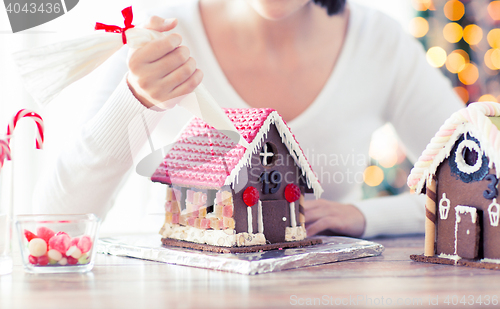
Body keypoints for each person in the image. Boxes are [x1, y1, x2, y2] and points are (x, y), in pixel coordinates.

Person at [34, 0, 464, 238]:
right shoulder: (159, 38)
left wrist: (366, 216)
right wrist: (135, 100)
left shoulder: (380, 42)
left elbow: (484, 186)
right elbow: (52, 222)